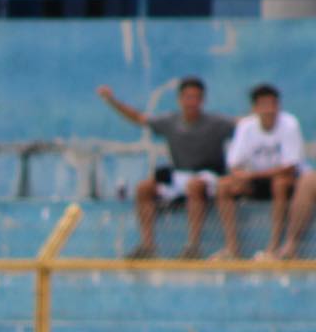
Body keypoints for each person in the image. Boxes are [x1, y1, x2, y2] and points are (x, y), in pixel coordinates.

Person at [96, 78, 233, 259]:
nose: (191, 102)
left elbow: (242, 123)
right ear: (180, 100)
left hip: (208, 176)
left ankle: (193, 246)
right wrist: (111, 101)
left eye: (196, 97)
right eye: (188, 97)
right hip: (179, 176)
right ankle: (148, 246)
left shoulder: (216, 123)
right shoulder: (170, 121)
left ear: (202, 100)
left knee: (195, 185)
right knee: (144, 187)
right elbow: (139, 118)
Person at [213, 84, 312, 260]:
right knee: (223, 186)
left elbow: (290, 167)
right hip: (256, 180)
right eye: (264, 105)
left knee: (280, 184)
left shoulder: (289, 124)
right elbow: (234, 164)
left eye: (273, 104)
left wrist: (251, 175)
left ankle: (273, 247)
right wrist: (240, 178)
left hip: (285, 180)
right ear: (255, 108)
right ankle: (232, 248)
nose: (269, 110)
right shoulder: (246, 127)